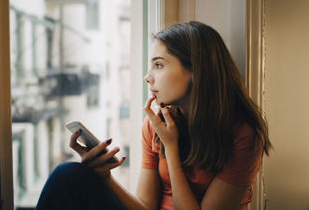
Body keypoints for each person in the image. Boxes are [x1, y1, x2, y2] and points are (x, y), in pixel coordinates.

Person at [36, 21, 272, 210]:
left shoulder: (245, 136)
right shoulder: (155, 126)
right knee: (67, 174)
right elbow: (146, 206)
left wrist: (172, 148)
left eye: (159, 65)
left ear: (196, 70)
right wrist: (105, 177)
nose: (148, 77)